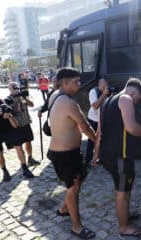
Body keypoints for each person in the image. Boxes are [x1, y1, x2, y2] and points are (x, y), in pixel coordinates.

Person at [47, 68, 97, 239]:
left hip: (65, 152)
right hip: (65, 154)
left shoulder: (55, 95)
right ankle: (76, 226)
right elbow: (85, 127)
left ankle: (63, 209)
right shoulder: (68, 102)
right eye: (76, 81)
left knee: (76, 182)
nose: (79, 84)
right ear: (65, 82)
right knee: (73, 187)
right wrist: (98, 142)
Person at [96, 78, 141, 238]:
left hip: (109, 154)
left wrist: (95, 154)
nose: (136, 102)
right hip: (120, 156)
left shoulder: (107, 100)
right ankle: (123, 227)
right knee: (122, 192)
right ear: (133, 93)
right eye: (138, 99)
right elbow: (132, 128)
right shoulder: (125, 99)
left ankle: (125, 213)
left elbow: (99, 131)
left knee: (124, 187)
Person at [0, 99, 34, 182]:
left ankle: (25, 168)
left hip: (7, 129)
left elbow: (15, 125)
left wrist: (10, 117)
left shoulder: (7, 108)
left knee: (18, 146)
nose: (2, 108)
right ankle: (5, 171)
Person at [7, 82, 40, 166]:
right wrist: (15, 104)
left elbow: (32, 105)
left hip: (26, 122)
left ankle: (30, 158)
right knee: (19, 146)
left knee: (28, 141)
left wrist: (25, 98)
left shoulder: (22, 96)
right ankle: (23, 164)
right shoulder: (8, 100)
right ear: (9, 89)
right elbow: (9, 113)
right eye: (13, 88)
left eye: (17, 87)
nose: (16, 89)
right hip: (17, 125)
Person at [85, 78, 109, 165]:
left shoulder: (106, 92)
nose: (106, 85)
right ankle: (88, 160)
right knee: (92, 139)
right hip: (94, 120)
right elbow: (95, 106)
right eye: (105, 84)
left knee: (102, 139)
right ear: (100, 84)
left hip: (102, 120)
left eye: (107, 84)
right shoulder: (93, 92)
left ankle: (99, 157)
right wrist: (103, 94)